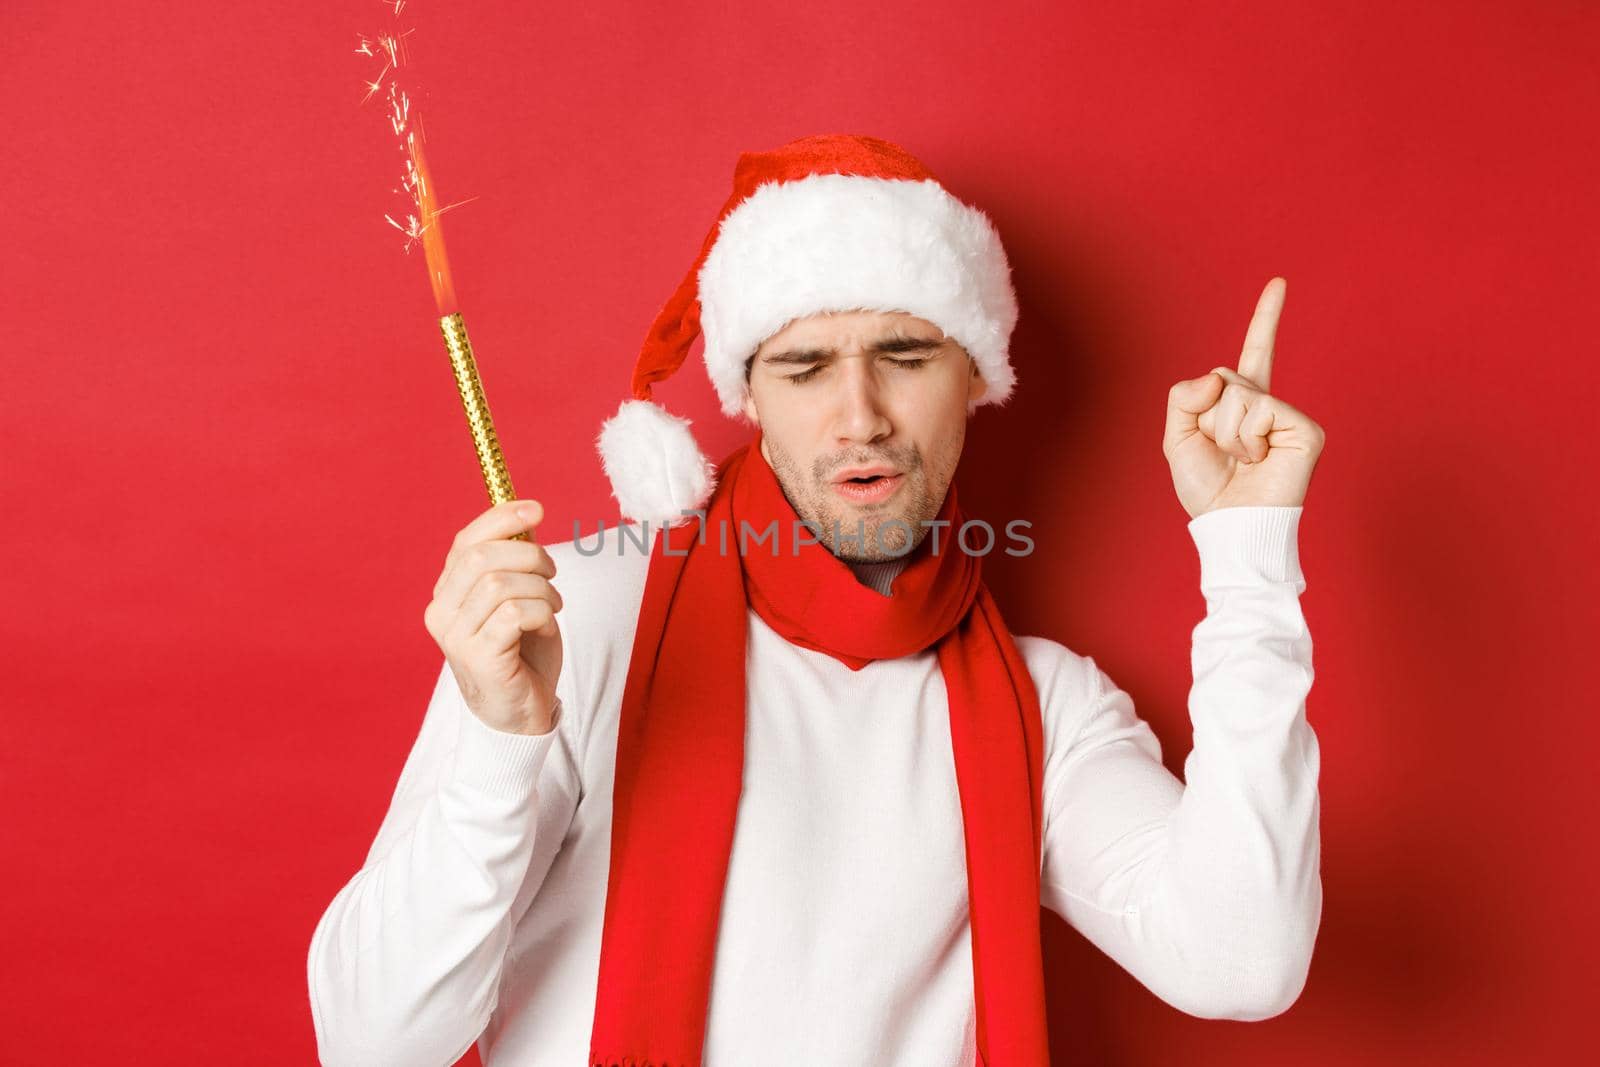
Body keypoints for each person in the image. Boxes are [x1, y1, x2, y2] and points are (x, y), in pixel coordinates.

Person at [306, 133, 1326, 1067]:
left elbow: (1240, 960)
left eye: (904, 355)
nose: (859, 416)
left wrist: (1246, 552)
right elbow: (372, 1040)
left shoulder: (1044, 705)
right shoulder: (571, 625)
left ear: (975, 376)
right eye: (804, 366)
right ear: (749, 396)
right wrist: (498, 742)